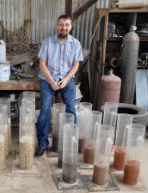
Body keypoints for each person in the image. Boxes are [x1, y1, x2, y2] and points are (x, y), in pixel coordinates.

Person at [35, 14, 83, 156]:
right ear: (57, 26)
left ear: (71, 27)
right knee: (44, 110)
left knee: (71, 110)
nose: (64, 27)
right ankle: (42, 143)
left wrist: (66, 80)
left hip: (66, 80)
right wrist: (51, 81)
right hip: (47, 79)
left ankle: (71, 142)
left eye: (67, 25)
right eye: (61, 24)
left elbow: (76, 65)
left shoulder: (75, 44)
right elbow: (42, 64)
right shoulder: (47, 43)